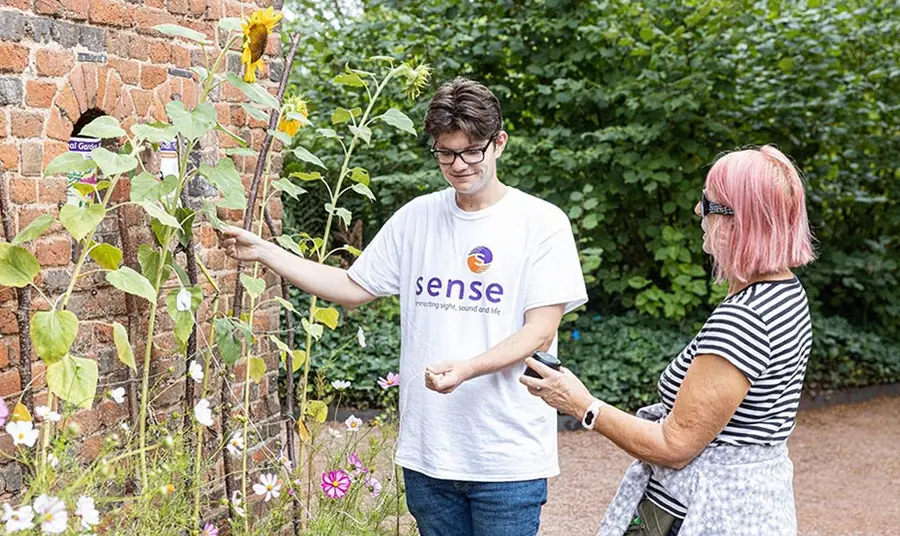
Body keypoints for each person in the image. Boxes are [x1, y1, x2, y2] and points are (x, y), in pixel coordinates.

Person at [221, 77, 587, 536]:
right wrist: (267, 253)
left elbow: (539, 331)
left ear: (499, 143)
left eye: (472, 151)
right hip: (428, 452)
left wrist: (467, 369)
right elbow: (354, 286)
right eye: (445, 153)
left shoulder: (541, 223)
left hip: (505, 457)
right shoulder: (417, 217)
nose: (458, 165)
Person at [520, 145, 815, 536]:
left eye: (708, 204)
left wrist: (582, 405)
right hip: (755, 507)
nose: (698, 211)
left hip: (705, 514)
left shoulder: (744, 318)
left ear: (737, 222)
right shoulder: (785, 291)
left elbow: (674, 446)